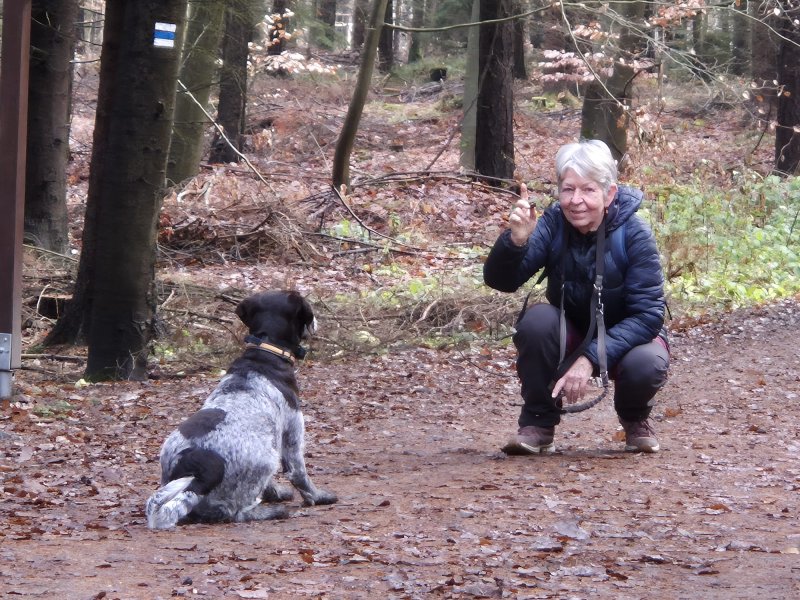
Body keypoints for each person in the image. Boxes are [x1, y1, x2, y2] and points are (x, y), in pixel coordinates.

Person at [484, 139, 669, 454]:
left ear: (609, 194)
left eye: (588, 190)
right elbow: (502, 281)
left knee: (647, 362)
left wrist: (590, 359)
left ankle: (635, 418)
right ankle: (538, 422)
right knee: (537, 322)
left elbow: (648, 315)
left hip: (627, 336)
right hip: (570, 329)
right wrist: (516, 240)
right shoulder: (554, 223)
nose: (576, 201)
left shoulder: (635, 234)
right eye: (568, 189)